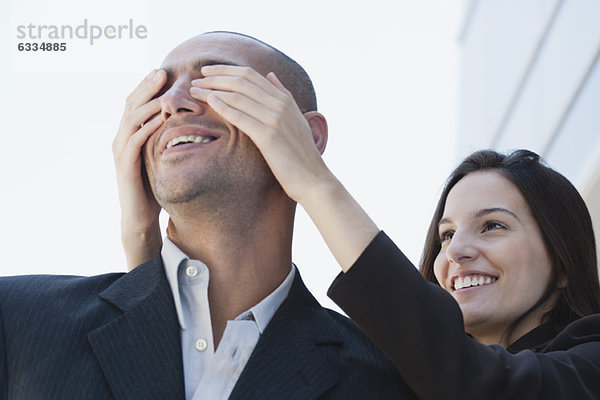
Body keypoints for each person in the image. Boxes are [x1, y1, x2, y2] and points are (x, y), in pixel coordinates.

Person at [121, 71, 600, 397]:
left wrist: (311, 180)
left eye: (492, 226)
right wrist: (142, 242)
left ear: (562, 261)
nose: (457, 252)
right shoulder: (376, 376)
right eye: (446, 234)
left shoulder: (589, 366)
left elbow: (477, 385)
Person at [0, 32, 414, 399]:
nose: (172, 103)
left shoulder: (388, 377)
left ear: (309, 135)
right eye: (156, 93)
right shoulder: (15, 320)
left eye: (215, 80)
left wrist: (316, 182)